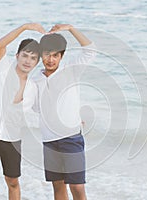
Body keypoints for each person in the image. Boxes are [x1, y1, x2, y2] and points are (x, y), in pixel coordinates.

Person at [23, 24, 96, 200]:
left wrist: (71, 29)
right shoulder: (35, 81)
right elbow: (31, 107)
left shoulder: (70, 71)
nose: (50, 59)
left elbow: (90, 50)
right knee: (58, 187)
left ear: (61, 56)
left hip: (71, 138)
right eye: (47, 54)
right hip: (49, 141)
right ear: (40, 56)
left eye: (55, 55)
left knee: (77, 187)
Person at [0, 23, 45, 200]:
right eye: (25, 55)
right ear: (17, 56)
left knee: (12, 181)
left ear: (37, 62)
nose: (28, 60)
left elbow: (44, 110)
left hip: (12, 139)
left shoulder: (33, 88)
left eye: (33, 58)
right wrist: (26, 26)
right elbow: (0, 44)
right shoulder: (2, 69)